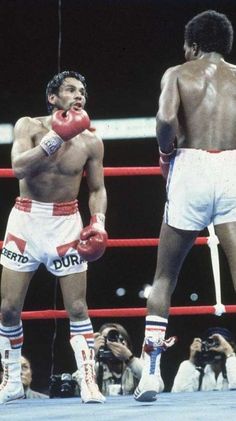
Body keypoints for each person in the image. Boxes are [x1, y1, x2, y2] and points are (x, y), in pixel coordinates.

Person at [134, 10, 236, 402]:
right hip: (231, 166)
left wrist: (165, 152)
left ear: (192, 44)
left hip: (190, 166)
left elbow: (164, 119)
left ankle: (151, 376)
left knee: (164, 278)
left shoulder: (177, 72)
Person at [0, 70, 108, 404]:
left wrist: (99, 221)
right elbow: (18, 167)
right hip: (26, 220)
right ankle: (12, 381)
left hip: (65, 223)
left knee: (77, 307)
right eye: (71, 90)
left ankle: (88, 381)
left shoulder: (91, 140)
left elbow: (98, 188)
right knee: (7, 309)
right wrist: (55, 139)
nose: (80, 96)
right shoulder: (28, 126)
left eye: (83, 91)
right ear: (52, 98)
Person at [73, 323, 143, 396]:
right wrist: (91, 355)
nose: (111, 344)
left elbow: (150, 380)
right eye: (105, 340)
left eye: (115, 339)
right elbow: (78, 384)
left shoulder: (137, 365)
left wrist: (130, 359)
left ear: (126, 343)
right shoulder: (96, 369)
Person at [172, 327, 236, 392]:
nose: (214, 346)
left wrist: (229, 353)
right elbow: (179, 394)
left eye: (218, 343)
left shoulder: (233, 367)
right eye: (211, 342)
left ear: (231, 346)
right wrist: (192, 360)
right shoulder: (198, 375)